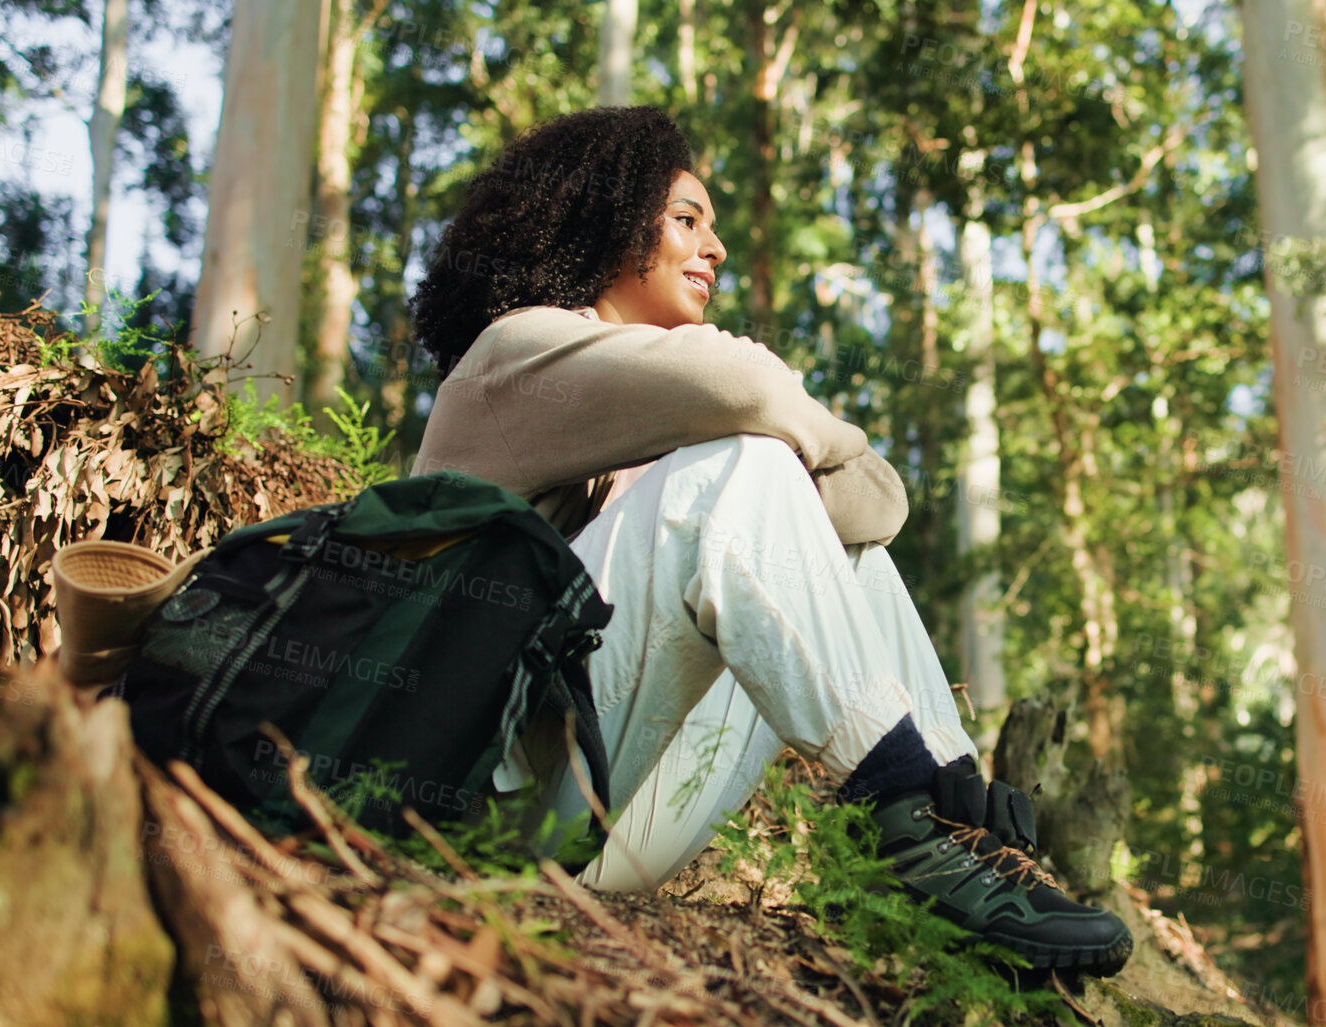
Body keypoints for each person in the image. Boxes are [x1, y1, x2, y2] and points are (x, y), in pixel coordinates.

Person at [408, 106, 1131, 976]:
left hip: (605, 828)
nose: (714, 249)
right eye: (686, 220)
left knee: (845, 553)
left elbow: (877, 506)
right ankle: (911, 815)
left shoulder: (665, 438)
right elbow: (747, 387)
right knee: (743, 465)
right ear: (605, 218)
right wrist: (780, 423)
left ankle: (961, 834)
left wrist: (778, 432)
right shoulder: (512, 353)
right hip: (471, 801)